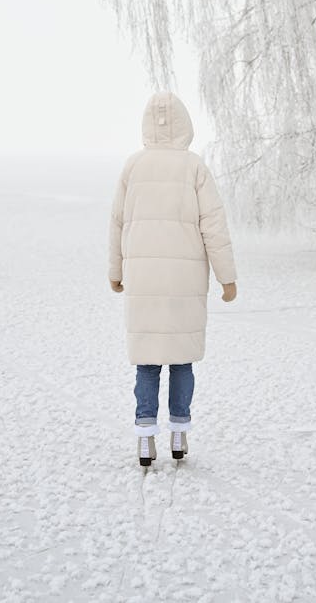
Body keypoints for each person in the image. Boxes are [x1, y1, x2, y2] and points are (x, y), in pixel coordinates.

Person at [108, 91, 237, 466]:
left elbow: (117, 225)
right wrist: (227, 278)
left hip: (144, 283)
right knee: (181, 361)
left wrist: (116, 271)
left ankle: (145, 438)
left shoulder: (133, 167)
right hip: (185, 285)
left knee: (147, 362)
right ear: (184, 124)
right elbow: (214, 226)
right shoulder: (194, 167)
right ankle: (179, 432)